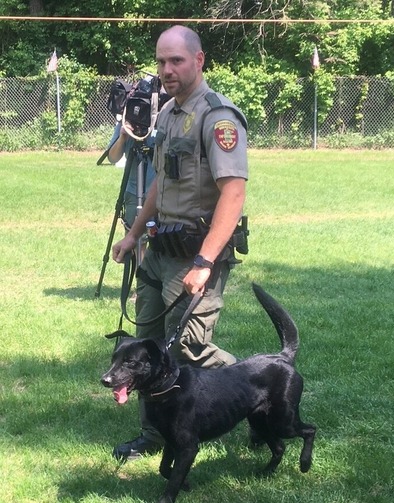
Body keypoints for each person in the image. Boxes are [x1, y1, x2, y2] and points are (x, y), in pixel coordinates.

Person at [111, 25, 248, 461]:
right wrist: (133, 235)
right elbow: (159, 183)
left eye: (176, 60)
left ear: (199, 60)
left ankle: (261, 385)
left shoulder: (218, 116)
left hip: (195, 254)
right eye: (161, 61)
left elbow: (234, 191)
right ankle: (154, 436)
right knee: (146, 349)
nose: (167, 69)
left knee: (187, 347)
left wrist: (206, 260)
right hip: (158, 252)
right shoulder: (168, 113)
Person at [107, 119, 157, 264]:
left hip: (161, 191)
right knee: (134, 239)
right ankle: (139, 281)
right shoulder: (127, 119)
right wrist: (123, 136)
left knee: (160, 239)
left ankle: (155, 282)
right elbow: (112, 157)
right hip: (134, 191)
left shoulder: (166, 117)